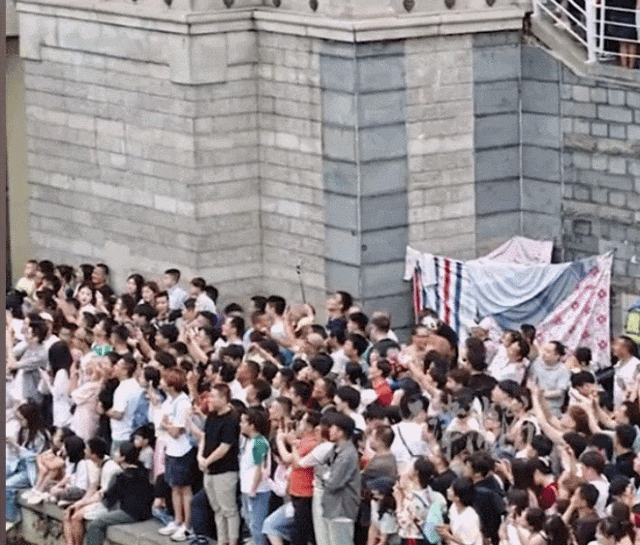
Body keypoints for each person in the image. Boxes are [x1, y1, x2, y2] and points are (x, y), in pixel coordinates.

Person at [83, 441, 153, 545]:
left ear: (122, 458)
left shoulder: (122, 476)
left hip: (130, 513)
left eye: (118, 452)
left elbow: (110, 500)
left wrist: (103, 494)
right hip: (146, 512)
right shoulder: (143, 471)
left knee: (96, 524)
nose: (115, 454)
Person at [157, 367, 196, 542]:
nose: (161, 382)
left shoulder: (183, 403)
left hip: (183, 451)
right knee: (174, 487)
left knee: (184, 489)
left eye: (164, 379)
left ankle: (187, 526)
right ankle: (177, 520)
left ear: (172, 384)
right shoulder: (169, 400)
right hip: (171, 449)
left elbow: (176, 431)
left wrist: (166, 425)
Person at [198, 383, 241, 545]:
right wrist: (200, 457)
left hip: (225, 471)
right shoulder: (212, 415)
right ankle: (221, 540)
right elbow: (204, 437)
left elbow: (225, 447)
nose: (210, 399)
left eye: (213, 396)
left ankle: (232, 541)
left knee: (229, 509)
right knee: (217, 509)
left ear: (224, 398)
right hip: (209, 469)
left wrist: (207, 460)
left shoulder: (231, 419)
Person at [6, 402, 50, 528]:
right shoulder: (22, 431)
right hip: (18, 465)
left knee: (6, 486)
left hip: (32, 469)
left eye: (22, 419)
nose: (20, 422)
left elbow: (34, 457)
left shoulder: (40, 435)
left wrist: (16, 447)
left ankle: (12, 518)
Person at [321, 411, 362, 544]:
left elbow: (333, 483)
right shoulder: (336, 449)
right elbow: (321, 465)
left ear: (341, 432)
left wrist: (324, 475)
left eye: (332, 428)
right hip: (332, 507)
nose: (329, 430)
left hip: (342, 508)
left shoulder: (347, 455)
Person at [239, 408, 272, 545]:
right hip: (247, 488)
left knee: (257, 525)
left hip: (258, 491)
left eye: (243, 422)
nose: (240, 424)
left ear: (252, 425)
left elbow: (260, 468)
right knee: (249, 521)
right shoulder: (248, 441)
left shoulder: (259, 442)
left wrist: (253, 488)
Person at [106, 354, 143, 457]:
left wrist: (106, 411)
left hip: (121, 436)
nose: (114, 367)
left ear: (125, 371)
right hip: (132, 433)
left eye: (118, 365)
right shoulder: (136, 385)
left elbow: (119, 414)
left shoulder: (122, 389)